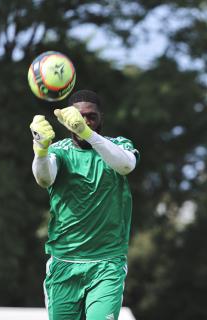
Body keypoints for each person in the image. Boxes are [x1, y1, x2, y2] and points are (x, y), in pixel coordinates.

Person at [30, 90, 139, 318]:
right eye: (79, 117)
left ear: (101, 118)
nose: (85, 120)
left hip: (107, 264)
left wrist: (87, 133)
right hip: (64, 263)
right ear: (65, 119)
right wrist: (40, 149)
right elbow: (44, 178)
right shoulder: (58, 151)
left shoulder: (118, 145)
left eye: (91, 116)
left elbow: (126, 165)